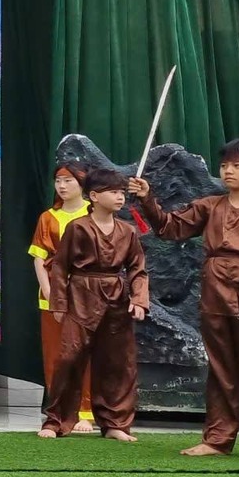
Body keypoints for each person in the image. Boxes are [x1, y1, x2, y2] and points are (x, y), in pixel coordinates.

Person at [130, 138, 239, 463]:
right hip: (216, 294)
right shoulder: (210, 206)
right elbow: (169, 228)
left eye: (237, 165)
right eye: (224, 166)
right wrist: (147, 198)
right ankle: (217, 439)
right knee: (221, 369)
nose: (228, 171)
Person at [40, 168, 147, 441]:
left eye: (122, 192)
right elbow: (60, 267)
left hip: (116, 299)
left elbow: (137, 269)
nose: (120, 197)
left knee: (118, 362)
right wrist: (59, 304)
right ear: (95, 196)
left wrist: (139, 299)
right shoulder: (78, 227)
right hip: (81, 296)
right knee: (69, 357)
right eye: (113, 192)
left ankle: (114, 423)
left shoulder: (128, 231)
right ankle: (56, 420)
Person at [30, 165, 95, 429]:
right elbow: (38, 257)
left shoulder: (93, 213)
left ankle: (85, 411)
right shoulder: (48, 217)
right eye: (58, 181)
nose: (62, 186)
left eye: (68, 181)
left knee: (85, 352)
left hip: (88, 293)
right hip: (52, 293)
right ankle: (57, 412)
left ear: (82, 183)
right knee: (55, 354)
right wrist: (48, 290)